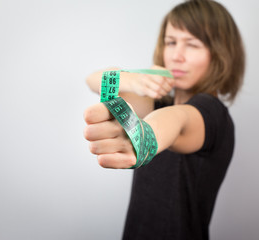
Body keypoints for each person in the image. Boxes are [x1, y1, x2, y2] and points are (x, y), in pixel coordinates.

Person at [84, 0, 245, 239]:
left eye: (192, 44)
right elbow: (93, 80)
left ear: (219, 53)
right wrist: (133, 80)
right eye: (171, 42)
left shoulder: (211, 113)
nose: (177, 56)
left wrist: (144, 137)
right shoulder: (159, 102)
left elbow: (177, 120)